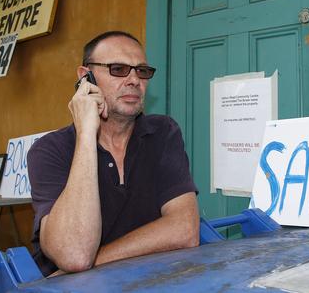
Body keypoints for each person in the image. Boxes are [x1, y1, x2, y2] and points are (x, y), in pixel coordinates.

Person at [27, 31, 199, 277]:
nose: (133, 80)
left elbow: (185, 229)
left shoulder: (163, 132)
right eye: (118, 69)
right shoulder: (49, 149)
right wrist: (86, 133)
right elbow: (74, 255)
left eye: (142, 71)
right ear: (85, 77)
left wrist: (97, 260)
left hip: (146, 280)